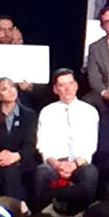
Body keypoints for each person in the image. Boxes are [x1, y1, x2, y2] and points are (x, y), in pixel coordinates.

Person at [34, 68, 100, 209]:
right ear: (55, 89)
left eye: (70, 83)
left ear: (76, 85)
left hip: (79, 164)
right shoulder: (47, 112)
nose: (68, 88)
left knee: (90, 173)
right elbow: (42, 144)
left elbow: (91, 145)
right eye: (62, 85)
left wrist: (74, 164)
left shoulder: (89, 111)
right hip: (54, 164)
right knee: (42, 172)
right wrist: (56, 164)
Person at [0, 77, 37, 202]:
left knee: (10, 171)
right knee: (6, 172)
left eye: (12, 86)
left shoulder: (29, 115)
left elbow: (29, 146)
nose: (11, 91)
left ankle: (11, 210)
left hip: (21, 161)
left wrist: (15, 156)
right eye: (5, 89)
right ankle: (18, 209)